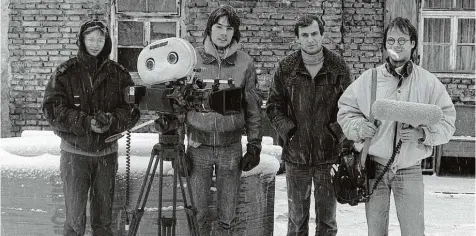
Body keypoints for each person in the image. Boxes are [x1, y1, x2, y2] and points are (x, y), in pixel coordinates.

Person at [337, 17, 456, 236]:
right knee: (376, 232)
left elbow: (447, 122)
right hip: (375, 168)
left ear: (413, 43)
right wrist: (359, 127)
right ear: (385, 46)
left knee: (413, 232)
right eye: (391, 40)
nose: (396, 45)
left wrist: (422, 134)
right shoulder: (369, 79)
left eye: (402, 40)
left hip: (410, 170)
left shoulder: (428, 83)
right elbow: (345, 111)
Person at [42, 19, 139, 236]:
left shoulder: (120, 74)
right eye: (90, 39)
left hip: (106, 155)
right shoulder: (65, 73)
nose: (95, 44)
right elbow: (52, 109)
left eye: (100, 39)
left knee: (103, 222)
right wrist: (86, 123)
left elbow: (132, 109)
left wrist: (111, 121)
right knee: (74, 222)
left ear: (107, 42)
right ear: (82, 40)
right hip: (75, 156)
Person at [266, 14, 352, 236]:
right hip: (296, 157)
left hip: (328, 155)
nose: (310, 39)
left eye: (314, 34)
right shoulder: (286, 68)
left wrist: (335, 134)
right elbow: (273, 106)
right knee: (296, 220)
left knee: (327, 221)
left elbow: (350, 107)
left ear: (322, 35)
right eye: (305, 35)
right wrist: (290, 132)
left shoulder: (338, 67)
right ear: (298, 39)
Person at [183, 5, 263, 235]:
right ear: (210, 29)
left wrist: (254, 145)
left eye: (229, 28)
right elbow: (178, 105)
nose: (223, 33)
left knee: (228, 213)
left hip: (231, 149)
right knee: (197, 212)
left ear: (234, 33)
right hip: (198, 148)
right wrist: (178, 148)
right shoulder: (192, 60)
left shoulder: (244, 63)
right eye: (219, 27)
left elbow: (253, 108)